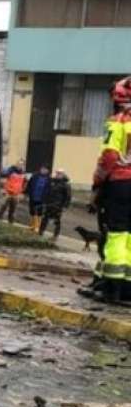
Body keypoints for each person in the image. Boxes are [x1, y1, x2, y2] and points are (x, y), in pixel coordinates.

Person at [81, 76, 131, 303]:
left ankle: (111, 287)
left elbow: (109, 157)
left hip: (120, 183)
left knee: (115, 234)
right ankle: (124, 287)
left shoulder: (119, 121)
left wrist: (97, 184)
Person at [38, 170, 72, 240]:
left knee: (56, 221)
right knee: (44, 219)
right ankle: (40, 232)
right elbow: (47, 191)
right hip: (49, 204)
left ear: (63, 175)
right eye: (57, 173)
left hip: (58, 206)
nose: (57, 175)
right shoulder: (52, 182)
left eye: (59, 174)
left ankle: (55, 235)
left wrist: (65, 206)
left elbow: (68, 197)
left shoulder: (65, 185)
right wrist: (44, 200)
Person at [27, 166, 51, 233]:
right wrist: (27, 193)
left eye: (45, 169)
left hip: (42, 199)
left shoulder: (49, 179)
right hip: (33, 197)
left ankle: (37, 227)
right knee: (32, 211)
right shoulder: (35, 176)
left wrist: (47, 199)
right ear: (40, 169)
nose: (43, 170)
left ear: (47, 171)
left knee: (39, 213)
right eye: (42, 169)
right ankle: (32, 226)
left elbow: (50, 190)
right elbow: (29, 184)